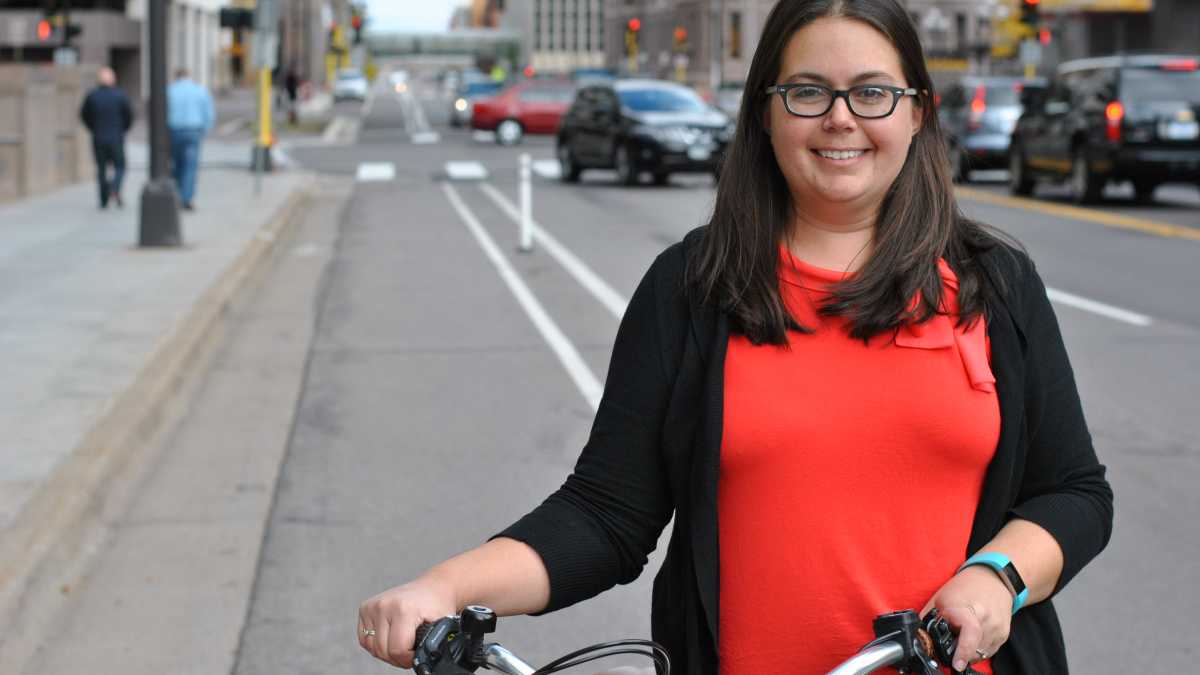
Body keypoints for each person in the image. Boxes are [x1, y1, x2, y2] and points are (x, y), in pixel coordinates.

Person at [357, 1, 1114, 673]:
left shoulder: (994, 283)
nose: (841, 118)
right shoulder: (691, 287)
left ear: (917, 112)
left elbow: (1073, 492)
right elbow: (605, 514)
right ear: (766, 111)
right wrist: (446, 586)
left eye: (873, 92)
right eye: (809, 91)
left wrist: (998, 576)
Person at [79, 67, 133, 209]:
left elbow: (84, 116)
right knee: (120, 166)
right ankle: (115, 188)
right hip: (116, 137)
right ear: (112, 80)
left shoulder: (92, 95)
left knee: (101, 168)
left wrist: (94, 128)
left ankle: (104, 198)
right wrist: (122, 129)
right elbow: (129, 116)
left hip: (99, 137)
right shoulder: (120, 95)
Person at [166, 68, 214, 211]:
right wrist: (204, 130)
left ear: (176, 77)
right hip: (194, 130)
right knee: (190, 166)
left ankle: (176, 193)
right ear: (188, 76)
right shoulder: (200, 90)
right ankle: (186, 198)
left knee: (176, 164)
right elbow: (209, 114)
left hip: (174, 130)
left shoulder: (170, 91)